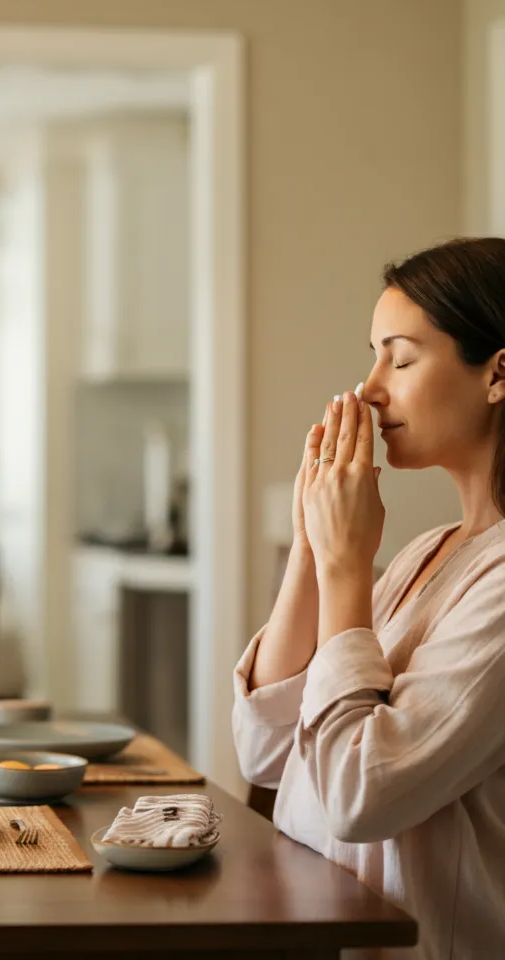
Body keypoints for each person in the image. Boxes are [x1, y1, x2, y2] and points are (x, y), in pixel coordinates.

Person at [232, 238, 505, 960]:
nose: (370, 388)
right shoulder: (427, 551)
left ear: (498, 374)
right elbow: (265, 751)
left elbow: (360, 796)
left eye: (402, 357)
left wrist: (349, 567)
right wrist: (311, 550)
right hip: (316, 931)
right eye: (374, 356)